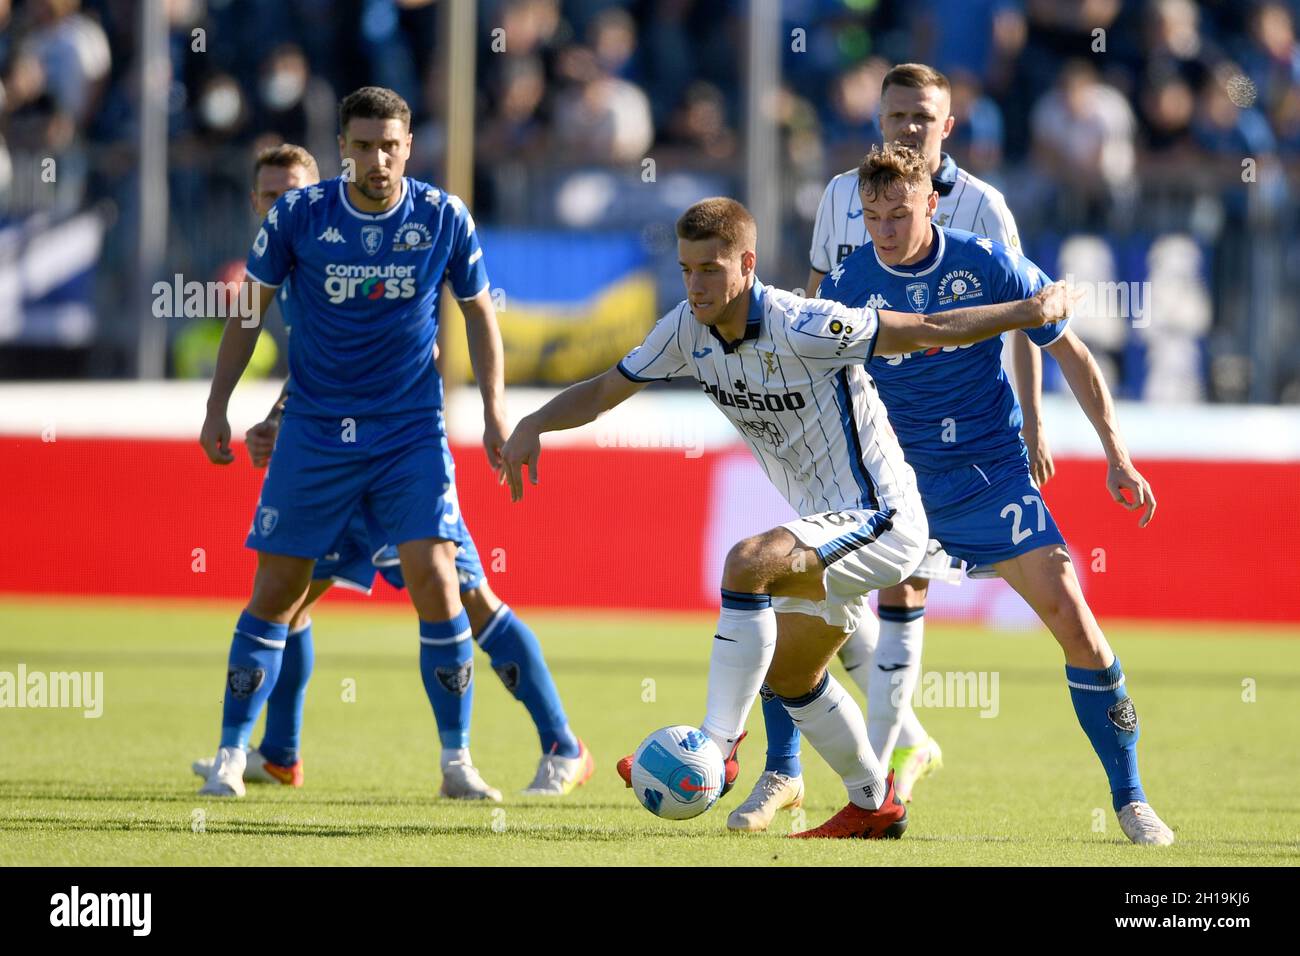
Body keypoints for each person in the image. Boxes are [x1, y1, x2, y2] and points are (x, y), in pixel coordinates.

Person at [499, 197, 1070, 838]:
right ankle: (873, 803)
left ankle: (717, 745)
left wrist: (1026, 311)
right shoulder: (686, 329)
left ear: (747, 264)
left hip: (883, 518)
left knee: (748, 562)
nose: (695, 285)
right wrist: (534, 422)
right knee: (791, 676)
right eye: (686, 270)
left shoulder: (804, 323)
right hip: (829, 528)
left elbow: (926, 329)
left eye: (710, 269)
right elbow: (607, 389)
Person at [196, 87, 591, 800]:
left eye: (390, 146)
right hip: (320, 441)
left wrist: (497, 413)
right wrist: (227, 409)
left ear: (408, 148)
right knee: (285, 593)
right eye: (364, 146)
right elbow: (275, 331)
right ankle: (254, 753)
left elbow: (479, 316)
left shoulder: (440, 217)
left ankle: (493, 755)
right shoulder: (300, 224)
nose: (377, 160)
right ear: (342, 150)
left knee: (453, 588)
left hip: (407, 438)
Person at [817, 143, 1173, 845]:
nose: (885, 227)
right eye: (872, 215)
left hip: (987, 475)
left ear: (932, 203)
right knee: (801, 608)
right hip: (896, 484)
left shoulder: (986, 263)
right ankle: (790, 773)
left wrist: (1117, 455)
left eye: (899, 212)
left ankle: (1131, 800)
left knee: (1075, 621)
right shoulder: (848, 281)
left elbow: (1068, 349)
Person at [735, 63, 1053, 829]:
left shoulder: (983, 208)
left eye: (924, 116)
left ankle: (874, 773)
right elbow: (813, 309)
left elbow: (1024, 315)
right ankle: (811, 767)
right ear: (879, 118)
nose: (909, 126)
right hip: (849, 423)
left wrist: (1036, 427)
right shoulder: (844, 195)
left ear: (949, 124)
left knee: (890, 582)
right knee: (807, 580)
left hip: (951, 429)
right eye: (898, 114)